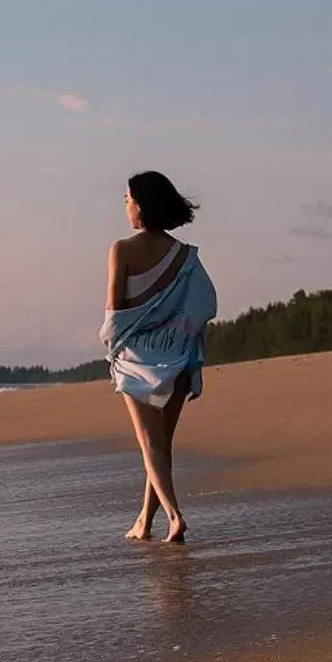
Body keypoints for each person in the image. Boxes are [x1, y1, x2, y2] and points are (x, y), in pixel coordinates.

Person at [100, 171, 217, 544]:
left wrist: (112, 348)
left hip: (138, 360)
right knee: (161, 446)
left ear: (142, 205)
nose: (125, 206)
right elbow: (204, 303)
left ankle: (174, 517)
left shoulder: (122, 249)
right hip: (179, 355)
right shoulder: (185, 256)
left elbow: (114, 311)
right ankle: (144, 522)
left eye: (128, 199)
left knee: (150, 446)